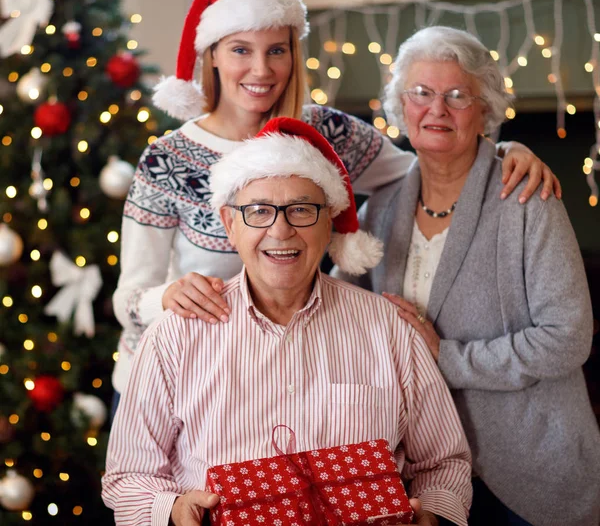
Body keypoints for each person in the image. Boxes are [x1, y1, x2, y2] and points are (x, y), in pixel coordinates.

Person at [111, 0, 560, 413]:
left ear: (293, 55)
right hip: (171, 386)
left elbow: (430, 167)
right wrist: (167, 297)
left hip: (274, 388)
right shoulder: (167, 160)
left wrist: (503, 150)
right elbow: (128, 299)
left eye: (277, 51)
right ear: (211, 55)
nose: (261, 70)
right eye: (240, 50)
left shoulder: (327, 133)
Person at [102, 117, 473, 526]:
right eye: (259, 211)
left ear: (329, 220)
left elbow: (445, 463)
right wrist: (172, 511)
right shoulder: (176, 335)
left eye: (301, 210)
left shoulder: (387, 328)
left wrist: (434, 514)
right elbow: (128, 477)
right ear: (230, 223)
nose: (280, 231)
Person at [338, 26, 600, 526]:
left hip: (530, 472)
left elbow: (567, 338)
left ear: (485, 110)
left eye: (457, 95)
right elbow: (337, 307)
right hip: (421, 476)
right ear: (400, 105)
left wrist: (447, 357)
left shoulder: (527, 199)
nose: (436, 108)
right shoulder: (380, 208)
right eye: (421, 93)